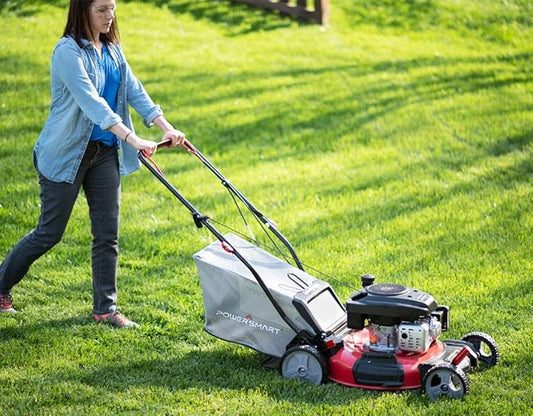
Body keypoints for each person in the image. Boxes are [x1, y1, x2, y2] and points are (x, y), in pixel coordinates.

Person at [0, 0, 185, 328]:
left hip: (104, 155)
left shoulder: (113, 50)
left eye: (112, 8)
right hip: (65, 154)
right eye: (101, 9)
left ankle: (105, 309)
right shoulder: (67, 52)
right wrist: (133, 139)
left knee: (107, 233)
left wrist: (165, 127)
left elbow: (135, 91)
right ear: (82, 10)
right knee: (49, 233)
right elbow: (93, 103)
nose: (109, 16)